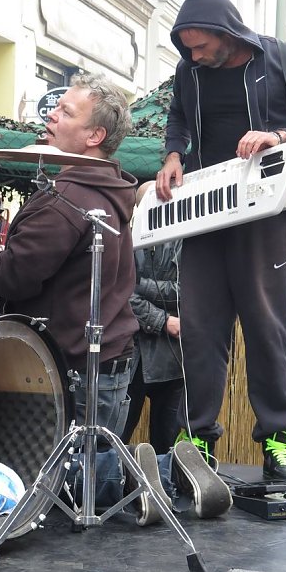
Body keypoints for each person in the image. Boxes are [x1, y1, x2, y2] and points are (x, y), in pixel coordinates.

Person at [0, 73, 229, 525]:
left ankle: (144, 474)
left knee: (68, 493)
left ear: (94, 135)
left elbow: (15, 277)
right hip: (112, 355)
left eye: (66, 112)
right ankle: (160, 470)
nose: (52, 115)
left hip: (69, 362)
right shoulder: (112, 189)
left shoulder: (68, 199)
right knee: (88, 473)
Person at [155, 0, 286, 480]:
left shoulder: (285, 60)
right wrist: (173, 155)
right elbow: (176, 120)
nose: (193, 55)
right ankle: (198, 442)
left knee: (267, 329)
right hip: (205, 213)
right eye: (186, 47)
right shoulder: (188, 72)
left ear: (227, 32)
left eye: (200, 45)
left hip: (267, 214)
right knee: (200, 331)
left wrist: (278, 136)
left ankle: (278, 440)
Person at [121, 183, 184, 451]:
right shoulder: (123, 240)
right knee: (115, 441)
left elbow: (185, 291)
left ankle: (166, 491)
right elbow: (118, 293)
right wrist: (163, 320)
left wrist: (136, 284)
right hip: (128, 357)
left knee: (167, 445)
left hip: (173, 360)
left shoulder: (187, 239)